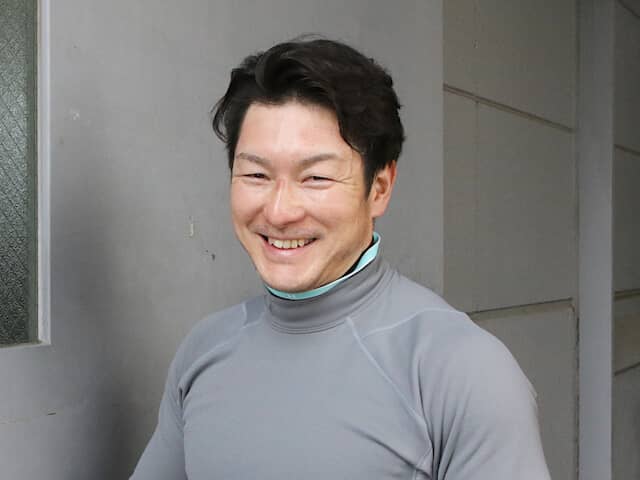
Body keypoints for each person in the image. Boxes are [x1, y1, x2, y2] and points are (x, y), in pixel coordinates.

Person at [131, 38, 551, 480]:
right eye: (256, 174)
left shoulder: (462, 370)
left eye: (315, 177)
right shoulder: (203, 350)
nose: (279, 211)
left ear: (379, 188)